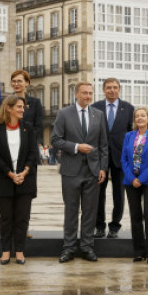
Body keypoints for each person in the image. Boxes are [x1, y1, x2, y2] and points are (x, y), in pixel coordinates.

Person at [51, 82, 108, 263]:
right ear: (76, 94)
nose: (88, 96)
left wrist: (103, 168)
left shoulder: (98, 114)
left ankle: (87, 247)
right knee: (71, 210)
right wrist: (76, 147)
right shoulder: (64, 114)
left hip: (92, 171)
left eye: (90, 93)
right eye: (84, 93)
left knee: (90, 211)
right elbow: (56, 140)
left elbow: (103, 145)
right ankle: (68, 248)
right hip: (71, 170)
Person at [0, 95, 39, 265]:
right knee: (6, 218)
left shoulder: (29, 128)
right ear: (8, 108)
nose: (22, 109)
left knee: (22, 218)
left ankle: (19, 251)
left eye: (23, 107)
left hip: (25, 180)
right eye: (18, 106)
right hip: (4, 180)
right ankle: (5, 252)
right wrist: (10, 174)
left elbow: (33, 154)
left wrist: (24, 173)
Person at [91, 78, 134, 239]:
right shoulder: (95, 108)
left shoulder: (128, 109)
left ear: (119, 90)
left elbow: (132, 133)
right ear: (103, 90)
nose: (112, 90)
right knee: (98, 194)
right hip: (99, 157)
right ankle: (99, 226)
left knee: (119, 194)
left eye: (115, 88)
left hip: (120, 157)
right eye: (109, 88)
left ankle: (115, 226)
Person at [122, 107, 148, 264]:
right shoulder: (128, 136)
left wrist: (142, 179)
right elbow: (124, 160)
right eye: (137, 116)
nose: (139, 118)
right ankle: (139, 252)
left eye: (142, 115)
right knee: (135, 216)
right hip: (130, 181)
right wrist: (132, 178)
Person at [8, 70, 44, 146]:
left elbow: (38, 127)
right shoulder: (3, 102)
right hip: (8, 145)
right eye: (13, 81)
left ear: (27, 83)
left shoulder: (35, 103)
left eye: (19, 81)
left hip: (28, 145)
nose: (16, 84)